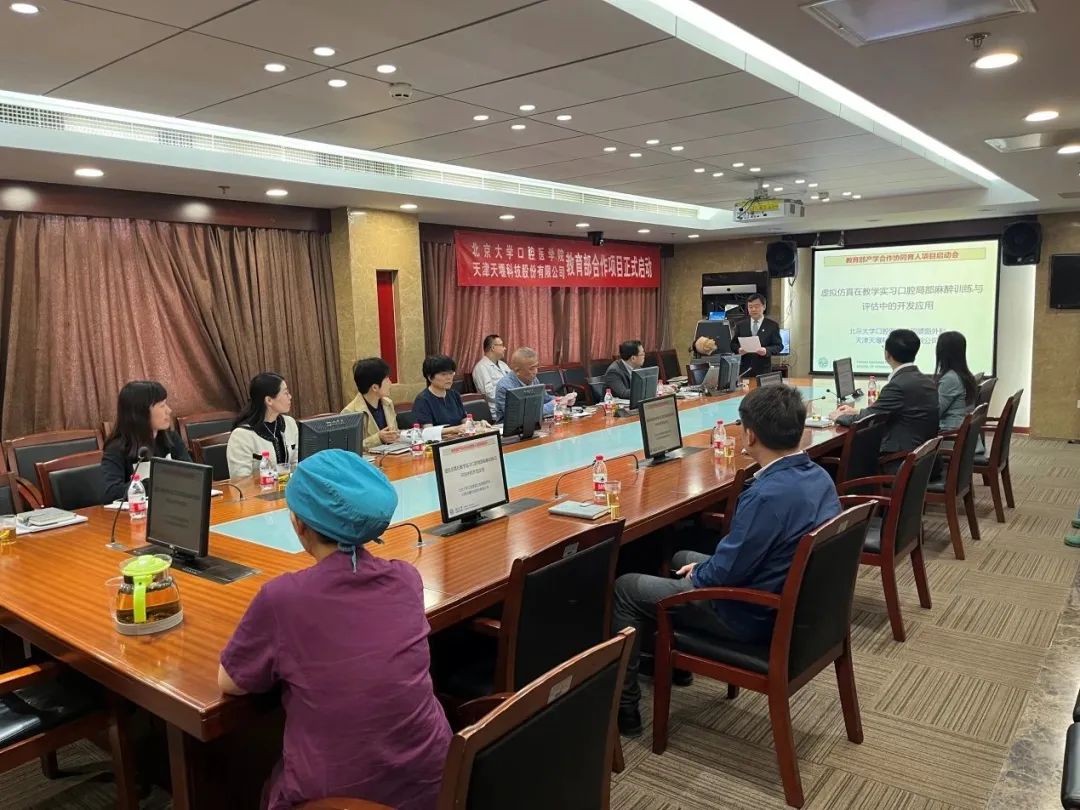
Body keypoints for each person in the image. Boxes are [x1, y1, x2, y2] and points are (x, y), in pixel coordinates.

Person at [218, 450, 451, 810]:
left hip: (341, 800)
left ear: (299, 525)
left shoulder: (283, 598)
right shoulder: (407, 579)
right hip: (437, 783)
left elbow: (230, 682)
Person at [611, 385, 840, 736]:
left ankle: (625, 709)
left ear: (750, 435)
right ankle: (673, 663)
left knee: (626, 587)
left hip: (750, 613)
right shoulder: (819, 477)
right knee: (681, 556)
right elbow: (739, 558)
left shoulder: (765, 496)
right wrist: (702, 567)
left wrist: (701, 573)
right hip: (790, 599)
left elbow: (723, 574)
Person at [830, 328, 939, 457]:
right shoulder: (926, 381)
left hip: (898, 458)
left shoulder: (897, 385)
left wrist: (838, 417)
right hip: (921, 458)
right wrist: (857, 411)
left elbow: (868, 419)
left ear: (887, 354)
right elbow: (882, 411)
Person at [102, 380, 191, 503]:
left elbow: (191, 474)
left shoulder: (172, 438)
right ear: (141, 413)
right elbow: (111, 493)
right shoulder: (116, 448)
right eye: (162, 406)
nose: (169, 410)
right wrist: (156, 482)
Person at [226, 373, 299, 479]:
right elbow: (240, 480)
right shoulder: (242, 435)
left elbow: (296, 464)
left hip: (289, 486)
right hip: (260, 489)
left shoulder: (290, 423)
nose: (290, 397)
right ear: (269, 400)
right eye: (285, 393)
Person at [492, 346, 565, 422]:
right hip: (508, 428)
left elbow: (545, 398)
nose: (536, 372)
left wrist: (561, 399)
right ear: (517, 371)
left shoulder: (533, 379)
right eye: (531, 368)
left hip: (533, 424)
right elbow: (519, 416)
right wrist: (552, 405)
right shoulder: (504, 387)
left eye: (536, 366)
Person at [342, 357, 400, 449]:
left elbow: (395, 433)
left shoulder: (388, 404)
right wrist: (378, 438)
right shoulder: (350, 412)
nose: (390, 383)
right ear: (374, 387)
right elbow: (349, 448)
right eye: (387, 379)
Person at [412, 355, 469, 434]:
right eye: (443, 374)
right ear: (430, 377)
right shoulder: (423, 400)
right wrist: (454, 429)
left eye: (451, 373)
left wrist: (477, 424)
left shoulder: (454, 395)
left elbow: (465, 421)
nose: (449, 378)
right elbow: (428, 431)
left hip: (460, 438)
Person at [729, 294, 784, 377]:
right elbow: (733, 344)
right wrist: (738, 350)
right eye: (750, 307)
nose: (753, 309)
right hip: (744, 370)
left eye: (757, 306)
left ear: (764, 307)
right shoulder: (741, 325)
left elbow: (779, 346)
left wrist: (766, 350)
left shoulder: (772, 325)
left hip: (763, 370)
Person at [934, 331, 978, 431]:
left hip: (950, 435)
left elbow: (935, 413)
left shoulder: (950, 379)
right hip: (961, 433)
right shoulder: (964, 375)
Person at [471, 334, 512, 409]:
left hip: (509, 405)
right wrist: (510, 395)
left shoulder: (503, 365)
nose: (505, 348)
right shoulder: (481, 368)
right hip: (496, 409)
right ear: (493, 348)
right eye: (502, 345)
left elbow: (513, 382)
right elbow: (489, 394)